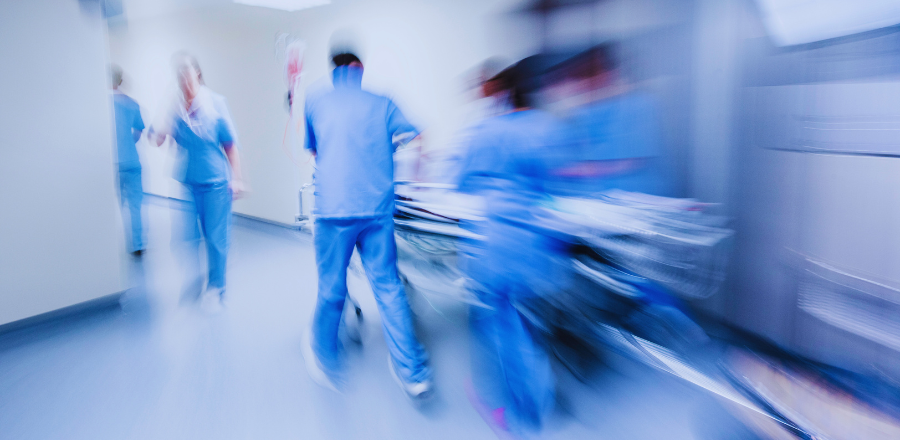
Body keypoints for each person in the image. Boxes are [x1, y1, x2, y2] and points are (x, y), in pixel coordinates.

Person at [301, 51, 432, 399]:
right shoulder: (383, 102)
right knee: (388, 288)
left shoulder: (315, 100)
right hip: (376, 210)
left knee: (332, 288)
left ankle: (325, 358)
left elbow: (315, 151)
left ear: (335, 70)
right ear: (360, 69)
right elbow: (420, 137)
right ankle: (413, 373)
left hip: (334, 211)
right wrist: (414, 180)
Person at [456, 58, 567, 436]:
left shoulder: (487, 130)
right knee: (527, 324)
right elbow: (555, 186)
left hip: (497, 247)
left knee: (502, 326)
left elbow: (462, 183)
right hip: (537, 247)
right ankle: (537, 399)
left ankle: (520, 416)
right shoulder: (547, 127)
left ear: (503, 91)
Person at [150, 55, 245, 312]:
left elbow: (230, 145)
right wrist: (162, 122)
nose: (184, 81)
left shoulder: (215, 104)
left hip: (215, 182)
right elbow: (158, 140)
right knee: (187, 238)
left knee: (215, 238)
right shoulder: (175, 108)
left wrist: (236, 178)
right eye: (179, 76)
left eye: (188, 75)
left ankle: (217, 288)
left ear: (198, 75)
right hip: (188, 181)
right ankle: (200, 277)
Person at [545, 43, 668, 197]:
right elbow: (564, 147)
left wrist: (577, 171)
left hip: (637, 197)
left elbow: (632, 161)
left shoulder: (638, 104)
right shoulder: (583, 111)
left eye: (587, 74)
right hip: (596, 199)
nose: (580, 83)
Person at [110, 65, 146, 256]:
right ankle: (138, 245)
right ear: (121, 80)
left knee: (114, 206)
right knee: (135, 206)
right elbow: (139, 130)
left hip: (111, 164)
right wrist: (127, 143)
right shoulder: (132, 103)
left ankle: (113, 247)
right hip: (132, 161)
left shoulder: (100, 104)